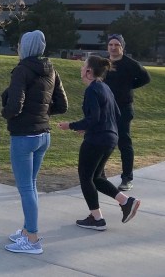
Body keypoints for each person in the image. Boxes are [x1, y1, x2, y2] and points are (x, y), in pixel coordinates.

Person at [1, 30, 68, 254]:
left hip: (24, 136)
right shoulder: (51, 70)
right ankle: (28, 230)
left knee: (27, 187)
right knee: (32, 185)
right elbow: (62, 105)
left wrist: (6, 112)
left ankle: (32, 239)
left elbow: (14, 106)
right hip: (43, 135)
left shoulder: (22, 70)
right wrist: (41, 112)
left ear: (25, 47)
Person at [58, 56, 141, 231]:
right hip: (111, 138)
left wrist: (70, 126)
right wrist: (89, 127)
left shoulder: (92, 90)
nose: (81, 69)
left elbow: (93, 118)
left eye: (83, 67)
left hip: (96, 140)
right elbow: (116, 114)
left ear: (89, 72)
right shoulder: (106, 88)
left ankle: (97, 219)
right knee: (96, 177)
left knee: (85, 178)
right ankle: (126, 202)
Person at [103, 34, 151, 191]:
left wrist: (129, 87)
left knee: (124, 143)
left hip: (124, 108)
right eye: (111, 44)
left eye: (117, 44)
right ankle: (99, 174)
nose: (113, 47)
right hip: (106, 108)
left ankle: (127, 178)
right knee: (102, 142)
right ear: (107, 46)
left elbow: (146, 78)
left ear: (122, 47)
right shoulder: (103, 63)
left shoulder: (131, 64)